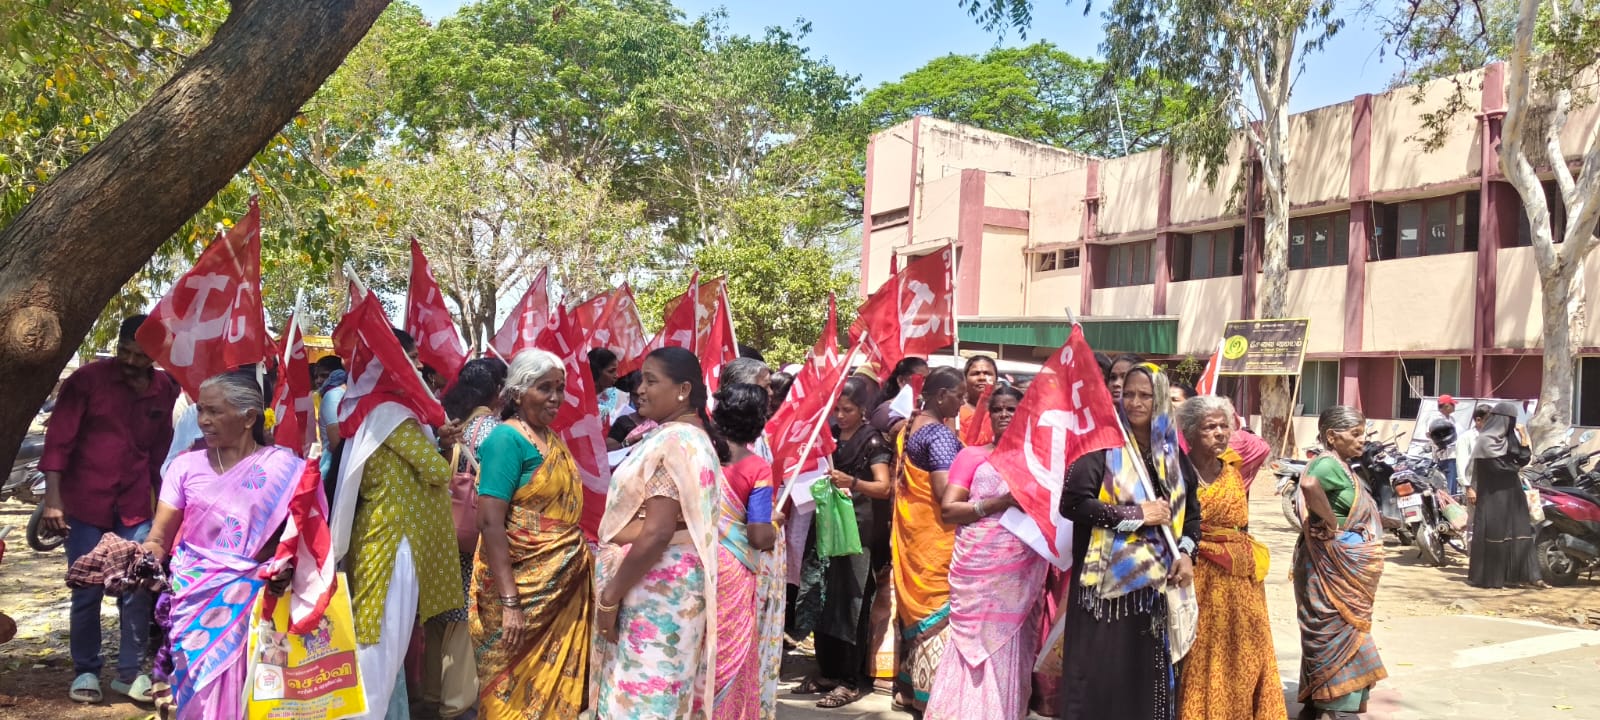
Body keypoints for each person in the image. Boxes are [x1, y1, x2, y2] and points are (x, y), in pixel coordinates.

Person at [140, 372, 304, 718]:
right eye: (201, 410)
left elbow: (303, 541)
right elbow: (159, 537)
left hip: (261, 604)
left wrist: (287, 567)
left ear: (248, 418)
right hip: (195, 602)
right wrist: (144, 557)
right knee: (198, 698)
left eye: (214, 411)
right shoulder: (184, 467)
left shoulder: (286, 469)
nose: (203, 420)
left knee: (262, 697)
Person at [39, 314, 179, 704]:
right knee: (87, 588)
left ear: (156, 355)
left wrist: (166, 510)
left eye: (141, 355)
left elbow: (160, 454)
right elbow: (58, 442)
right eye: (125, 351)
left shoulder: (164, 389)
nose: (131, 361)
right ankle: (86, 670)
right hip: (85, 501)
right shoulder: (86, 381)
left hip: (135, 504)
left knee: (138, 585)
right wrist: (53, 499)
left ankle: (130, 673)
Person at [1057, 363, 1198, 720]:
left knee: (1146, 684)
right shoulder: (1103, 445)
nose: (1134, 402)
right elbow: (1073, 503)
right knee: (1102, 681)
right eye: (1129, 394)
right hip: (1107, 594)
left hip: (1158, 591)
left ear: (1160, 399)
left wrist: (1186, 554)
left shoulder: (1173, 455)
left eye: (1145, 396)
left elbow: (1192, 517)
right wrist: (1135, 515)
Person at [591, 347, 724, 719]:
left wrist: (609, 598)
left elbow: (657, 531)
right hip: (672, 587)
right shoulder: (693, 438)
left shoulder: (674, 442)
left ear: (683, 390)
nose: (639, 390)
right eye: (641, 381)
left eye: (651, 381)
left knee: (643, 701)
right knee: (663, 696)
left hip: (655, 590)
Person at [340, 329, 462, 719]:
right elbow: (436, 471)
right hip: (394, 542)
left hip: (385, 536)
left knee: (380, 642)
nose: (419, 365)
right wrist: (439, 442)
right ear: (388, 364)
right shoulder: (391, 414)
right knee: (380, 643)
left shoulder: (378, 409)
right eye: (410, 357)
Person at [469, 350, 594, 719]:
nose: (555, 398)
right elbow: (490, 522)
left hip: (561, 595)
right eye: (545, 388)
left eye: (560, 388)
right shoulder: (506, 441)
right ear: (518, 393)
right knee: (507, 695)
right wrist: (511, 603)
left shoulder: (551, 440)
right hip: (517, 594)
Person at [926, 385, 1043, 720]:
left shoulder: (1038, 461)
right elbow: (949, 509)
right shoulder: (972, 456)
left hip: (1019, 572)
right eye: (998, 409)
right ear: (988, 415)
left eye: (1011, 409)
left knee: (1010, 644)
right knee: (971, 643)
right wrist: (999, 502)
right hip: (976, 571)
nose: (1004, 414)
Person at [1176, 395, 1286, 720]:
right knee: (1199, 653)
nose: (1220, 433)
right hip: (1197, 576)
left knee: (1245, 654)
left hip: (1240, 581)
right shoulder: (1177, 473)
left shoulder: (1234, 472)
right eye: (1210, 427)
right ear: (1191, 432)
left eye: (1224, 426)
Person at [795, 377, 894, 709]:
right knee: (824, 600)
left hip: (858, 534)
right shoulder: (830, 438)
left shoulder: (873, 441)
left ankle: (849, 681)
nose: (840, 415)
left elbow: (884, 487)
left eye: (847, 409)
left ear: (863, 410)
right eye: (836, 409)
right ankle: (827, 672)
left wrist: (853, 482)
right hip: (827, 527)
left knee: (852, 604)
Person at [422, 358, 506, 720]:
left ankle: (431, 691)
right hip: (475, 533)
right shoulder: (494, 430)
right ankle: (456, 702)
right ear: (497, 391)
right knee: (464, 615)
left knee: (439, 612)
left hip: (444, 526)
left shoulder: (452, 424)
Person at [1294, 406, 1387, 719]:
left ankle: (1318, 704)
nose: (1362, 440)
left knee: (1345, 632)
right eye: (1355, 434)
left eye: (1363, 433)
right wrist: (1331, 523)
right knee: (1335, 633)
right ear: (1332, 436)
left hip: (1342, 567)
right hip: (1327, 569)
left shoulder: (1344, 466)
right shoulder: (1326, 464)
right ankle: (1337, 707)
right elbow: (1308, 485)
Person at [892, 366, 965, 714]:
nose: (963, 402)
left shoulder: (911, 426)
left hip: (914, 537)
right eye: (958, 396)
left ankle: (907, 692)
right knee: (937, 614)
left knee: (917, 613)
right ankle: (931, 699)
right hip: (936, 539)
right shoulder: (939, 436)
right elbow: (943, 492)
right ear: (941, 396)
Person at [709, 383, 783, 719]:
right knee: (731, 654)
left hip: (693, 560)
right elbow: (757, 534)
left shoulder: (699, 455)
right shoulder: (756, 468)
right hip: (732, 571)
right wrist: (774, 527)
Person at [1467, 402, 1545, 589]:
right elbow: (1498, 468)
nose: (1512, 424)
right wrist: (1515, 467)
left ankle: (1527, 576)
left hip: (1513, 493)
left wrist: (1524, 437)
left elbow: (1523, 459)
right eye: (1510, 420)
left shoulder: (1510, 439)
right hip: (1493, 496)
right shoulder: (1485, 440)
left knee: (1520, 531)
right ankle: (1493, 578)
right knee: (1496, 534)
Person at [1168, 382, 1272, 486]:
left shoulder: (1230, 471)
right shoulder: (1165, 437)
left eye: (1174, 399)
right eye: (1210, 427)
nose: (1220, 432)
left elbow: (1262, 448)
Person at [871, 357, 930, 437]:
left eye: (928, 380)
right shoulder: (885, 412)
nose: (925, 384)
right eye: (921, 379)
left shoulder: (924, 408)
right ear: (901, 380)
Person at [1430, 395, 1461, 494]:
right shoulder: (1436, 419)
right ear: (1446, 406)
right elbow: (1430, 434)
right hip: (1445, 456)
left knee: (1453, 482)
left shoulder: (1451, 419)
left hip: (1453, 454)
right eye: (1452, 404)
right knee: (1449, 485)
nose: (1454, 406)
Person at [959, 355, 998, 432]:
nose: (982, 378)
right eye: (976, 373)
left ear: (996, 379)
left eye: (987, 373)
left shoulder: (1004, 412)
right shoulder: (955, 411)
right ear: (965, 379)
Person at [589, 347, 623, 423]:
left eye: (616, 370)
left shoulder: (621, 397)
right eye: (611, 371)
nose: (616, 375)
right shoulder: (580, 399)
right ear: (595, 372)